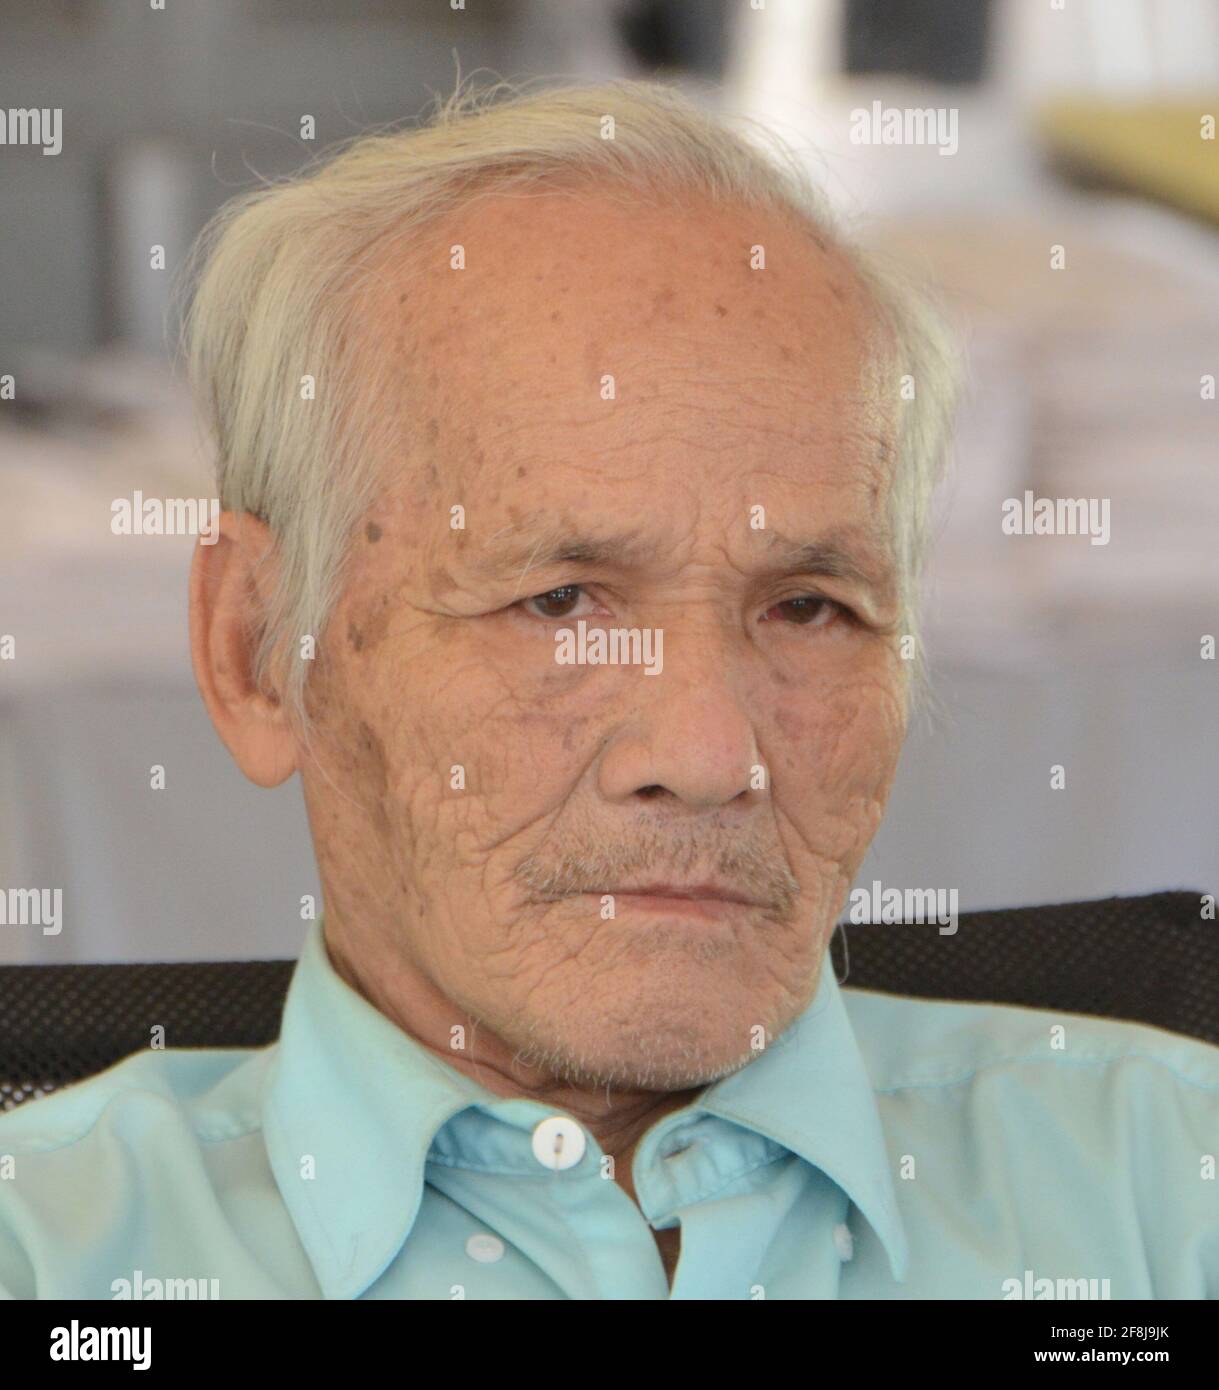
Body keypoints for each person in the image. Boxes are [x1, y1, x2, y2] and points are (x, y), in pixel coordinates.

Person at [1, 78, 1215, 1300]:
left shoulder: (1170, 1193)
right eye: (559, 600)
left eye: (808, 608)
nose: (705, 752)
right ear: (257, 652)